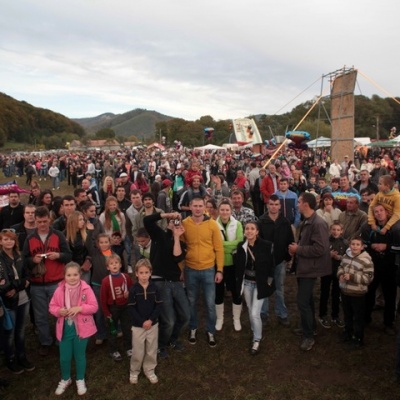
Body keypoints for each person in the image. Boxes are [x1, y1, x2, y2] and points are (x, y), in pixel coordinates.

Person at [22, 206, 72, 356]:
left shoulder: (57, 235)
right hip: (37, 284)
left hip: (56, 282)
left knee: (60, 313)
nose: (42, 225)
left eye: (45, 221)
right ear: (35, 221)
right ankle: (45, 342)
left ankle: (60, 339)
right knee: (40, 315)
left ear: (49, 220)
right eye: (39, 222)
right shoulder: (30, 238)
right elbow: (24, 260)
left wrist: (58, 256)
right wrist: (32, 260)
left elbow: (68, 255)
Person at [143, 211, 190, 358]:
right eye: (172, 221)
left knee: (185, 316)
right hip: (160, 281)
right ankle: (161, 345)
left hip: (175, 282)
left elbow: (177, 258)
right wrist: (166, 215)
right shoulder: (159, 235)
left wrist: (176, 236)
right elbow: (147, 220)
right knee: (168, 320)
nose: (174, 223)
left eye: (177, 221)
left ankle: (173, 339)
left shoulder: (181, 243)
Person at [289, 192, 331, 351]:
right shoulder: (308, 221)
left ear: (306, 204)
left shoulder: (317, 223)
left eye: (299, 201)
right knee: (307, 300)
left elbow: (321, 248)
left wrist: (298, 249)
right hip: (304, 266)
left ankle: (308, 336)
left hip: (310, 268)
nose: (297, 204)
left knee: (302, 302)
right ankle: (310, 327)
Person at [49, 262, 98, 396]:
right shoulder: (59, 290)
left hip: (82, 329)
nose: (72, 278)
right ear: (64, 276)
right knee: (64, 357)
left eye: (75, 274)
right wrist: (59, 311)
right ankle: (66, 379)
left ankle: (80, 379)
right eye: (69, 275)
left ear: (80, 275)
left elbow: (94, 307)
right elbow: (52, 307)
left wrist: (80, 308)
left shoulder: (86, 289)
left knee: (79, 355)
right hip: (65, 329)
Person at [182, 197, 224, 347]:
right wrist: (181, 270)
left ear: (204, 207)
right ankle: (193, 328)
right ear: (190, 207)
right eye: (195, 206)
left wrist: (219, 270)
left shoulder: (212, 224)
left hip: (208, 269)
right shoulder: (184, 224)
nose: (198, 208)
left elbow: (219, 249)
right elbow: (180, 247)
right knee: (192, 301)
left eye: (201, 206)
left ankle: (210, 330)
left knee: (210, 303)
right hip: (190, 269)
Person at [234, 221, 275, 354]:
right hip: (246, 283)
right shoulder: (241, 246)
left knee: (254, 313)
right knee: (250, 309)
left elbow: (271, 264)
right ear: (244, 231)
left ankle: (257, 339)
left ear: (257, 232)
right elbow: (238, 267)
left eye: (252, 229)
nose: (249, 231)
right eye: (247, 229)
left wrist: (269, 280)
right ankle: (254, 329)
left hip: (260, 283)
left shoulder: (266, 245)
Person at [0, 230, 35, 374]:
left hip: (23, 299)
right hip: (9, 301)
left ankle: (22, 356)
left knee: (20, 331)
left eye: (12, 239)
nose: (9, 242)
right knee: (9, 332)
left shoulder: (19, 255)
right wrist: (20, 284)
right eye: (6, 239)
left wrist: (17, 285)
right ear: (0, 241)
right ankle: (11, 360)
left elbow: (28, 276)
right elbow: (3, 285)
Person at [259, 194, 294, 326]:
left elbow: (290, 240)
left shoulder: (284, 222)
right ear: (268, 205)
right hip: (265, 261)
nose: (273, 207)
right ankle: (264, 314)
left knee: (279, 287)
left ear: (280, 206)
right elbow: (258, 241)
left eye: (276, 204)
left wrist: (287, 256)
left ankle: (281, 313)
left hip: (279, 260)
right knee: (265, 287)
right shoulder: (261, 221)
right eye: (271, 204)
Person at [362, 204, 397, 336]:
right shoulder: (369, 227)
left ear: (387, 212)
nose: (379, 213)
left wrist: (386, 247)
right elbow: (363, 245)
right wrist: (372, 245)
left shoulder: (394, 228)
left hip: (390, 267)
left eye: (381, 211)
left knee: (390, 296)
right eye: (376, 212)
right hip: (373, 266)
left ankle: (388, 323)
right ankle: (366, 319)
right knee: (369, 293)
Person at [128, 259, 162, 385]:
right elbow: (131, 308)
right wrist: (142, 322)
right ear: (136, 273)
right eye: (141, 273)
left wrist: (151, 320)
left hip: (152, 325)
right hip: (138, 326)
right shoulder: (133, 290)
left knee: (151, 349)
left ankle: (149, 369)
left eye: (146, 272)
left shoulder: (155, 288)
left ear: (150, 273)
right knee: (138, 350)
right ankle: (134, 371)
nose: (143, 275)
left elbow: (158, 306)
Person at [337, 236, 374, 348]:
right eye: (353, 244)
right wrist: (340, 275)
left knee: (358, 317)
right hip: (345, 292)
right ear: (349, 245)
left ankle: (358, 338)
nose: (355, 246)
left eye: (358, 244)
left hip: (358, 294)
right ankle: (348, 332)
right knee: (347, 314)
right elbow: (340, 267)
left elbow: (368, 278)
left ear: (362, 247)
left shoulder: (366, 260)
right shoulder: (345, 257)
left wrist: (352, 277)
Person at [214, 199, 244, 332]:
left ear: (231, 211)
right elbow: (213, 245)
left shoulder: (237, 224)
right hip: (219, 264)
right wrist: (227, 247)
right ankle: (219, 318)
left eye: (227, 210)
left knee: (236, 291)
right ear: (218, 211)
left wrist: (221, 246)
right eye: (222, 210)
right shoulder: (214, 224)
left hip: (234, 264)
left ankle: (236, 318)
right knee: (218, 291)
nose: (225, 212)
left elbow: (239, 242)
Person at [100, 254, 133, 362]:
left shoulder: (126, 277)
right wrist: (107, 313)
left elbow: (132, 289)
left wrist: (129, 293)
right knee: (112, 330)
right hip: (113, 308)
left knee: (127, 328)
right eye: (111, 263)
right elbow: (103, 299)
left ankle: (128, 347)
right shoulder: (105, 281)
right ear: (107, 267)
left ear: (120, 265)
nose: (114, 265)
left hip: (125, 307)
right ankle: (113, 350)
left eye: (116, 263)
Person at [318, 222, 347, 329]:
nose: (335, 232)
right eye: (333, 229)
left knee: (336, 294)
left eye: (338, 230)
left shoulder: (345, 242)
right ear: (330, 230)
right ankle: (322, 315)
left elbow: (348, 257)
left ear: (342, 231)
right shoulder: (325, 241)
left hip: (338, 272)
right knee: (324, 293)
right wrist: (328, 255)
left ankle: (335, 315)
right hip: (326, 271)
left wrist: (339, 258)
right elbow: (319, 254)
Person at [368, 175, 400, 252]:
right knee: (364, 227)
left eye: (380, 184)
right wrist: (372, 222)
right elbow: (371, 207)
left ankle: (396, 248)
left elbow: (397, 214)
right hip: (381, 215)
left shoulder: (397, 197)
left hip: (393, 218)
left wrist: (386, 227)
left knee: (396, 229)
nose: (377, 185)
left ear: (387, 186)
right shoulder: (379, 194)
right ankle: (367, 247)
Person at [65, 211, 94, 284]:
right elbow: (66, 253)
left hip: (85, 268)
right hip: (71, 270)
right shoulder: (64, 235)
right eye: (80, 220)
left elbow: (91, 249)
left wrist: (88, 260)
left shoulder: (86, 233)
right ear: (73, 221)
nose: (83, 222)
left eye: (83, 219)